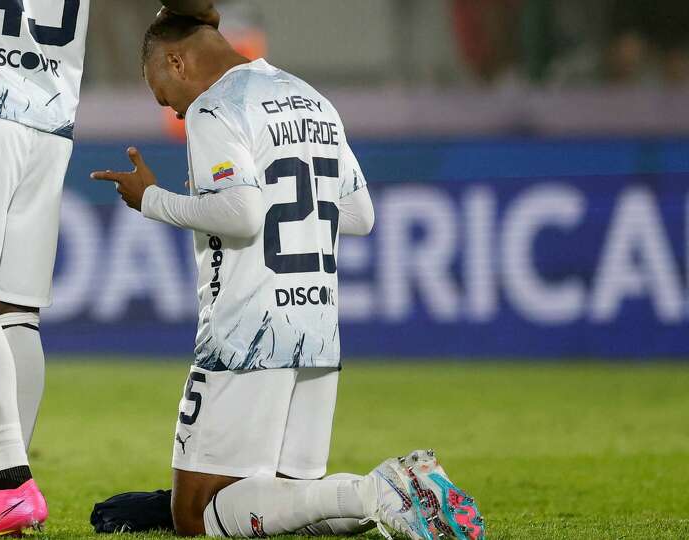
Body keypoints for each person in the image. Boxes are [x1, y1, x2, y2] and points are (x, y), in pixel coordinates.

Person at [90, 15, 485, 539]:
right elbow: (361, 214)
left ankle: (374, 491)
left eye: (164, 95)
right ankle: (391, 497)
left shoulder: (215, 108)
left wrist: (152, 200)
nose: (173, 110)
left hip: (246, 329)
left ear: (175, 61)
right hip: (317, 324)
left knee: (195, 516)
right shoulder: (310, 98)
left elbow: (243, 214)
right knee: (293, 507)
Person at [0, 1, 219, 538]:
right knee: (15, 311)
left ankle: (9, 486)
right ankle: (12, 498)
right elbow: (199, 6)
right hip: (47, 122)